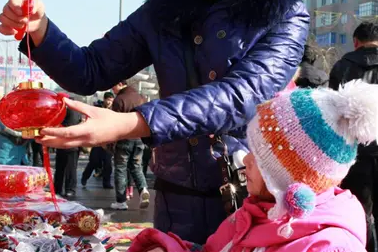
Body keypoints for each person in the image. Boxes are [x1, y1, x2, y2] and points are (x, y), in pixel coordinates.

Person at [0, 0, 308, 243]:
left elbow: (238, 97)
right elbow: (90, 69)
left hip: (251, 201)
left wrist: (131, 124)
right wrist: (40, 29)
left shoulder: (283, 13)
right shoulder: (168, 3)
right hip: (174, 200)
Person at [128, 81, 377, 252]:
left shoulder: (327, 245)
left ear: (288, 178)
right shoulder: (252, 213)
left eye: (258, 155)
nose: (246, 159)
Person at [329, 21, 378, 252]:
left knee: (360, 212)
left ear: (356, 42)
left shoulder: (342, 67)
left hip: (354, 154)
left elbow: (332, 114)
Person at [110, 81, 150, 210]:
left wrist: (111, 143)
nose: (112, 88)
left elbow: (114, 124)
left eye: (113, 85)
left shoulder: (119, 100)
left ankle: (121, 201)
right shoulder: (142, 98)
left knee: (120, 169)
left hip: (124, 138)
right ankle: (143, 189)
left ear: (121, 83)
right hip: (140, 139)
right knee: (136, 167)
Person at [81, 92, 115, 188]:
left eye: (111, 100)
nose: (109, 102)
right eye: (108, 100)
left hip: (108, 140)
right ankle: (85, 176)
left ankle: (106, 183)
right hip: (97, 140)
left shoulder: (114, 110)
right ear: (104, 99)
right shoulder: (98, 108)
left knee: (108, 163)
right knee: (94, 161)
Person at [54, 105, 83, 198]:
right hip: (65, 143)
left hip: (70, 143)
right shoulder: (73, 109)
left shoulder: (71, 110)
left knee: (68, 168)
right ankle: (60, 189)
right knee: (61, 167)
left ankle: (68, 189)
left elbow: (69, 126)